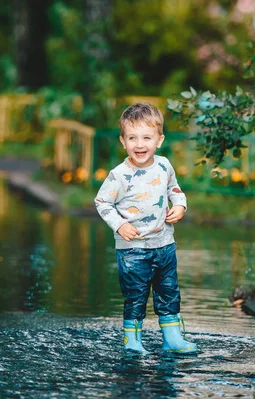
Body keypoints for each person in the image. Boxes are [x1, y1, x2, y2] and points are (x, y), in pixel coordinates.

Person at [94, 102, 197, 354]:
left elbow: (175, 189)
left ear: (159, 140)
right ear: (123, 141)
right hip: (133, 250)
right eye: (132, 138)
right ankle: (133, 342)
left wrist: (180, 205)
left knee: (169, 291)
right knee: (136, 295)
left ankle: (172, 338)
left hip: (164, 245)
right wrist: (120, 225)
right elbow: (102, 202)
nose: (140, 145)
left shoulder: (163, 166)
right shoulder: (119, 175)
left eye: (146, 138)